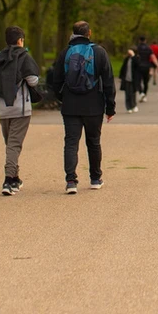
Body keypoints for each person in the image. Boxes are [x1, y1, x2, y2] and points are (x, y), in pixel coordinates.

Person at [56, 20, 116, 193]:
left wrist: (63, 97)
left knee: (71, 143)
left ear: (73, 33)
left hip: (71, 105)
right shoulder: (99, 52)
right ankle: (95, 178)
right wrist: (110, 107)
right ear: (89, 33)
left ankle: (71, 181)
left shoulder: (65, 52)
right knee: (94, 142)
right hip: (94, 105)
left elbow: (57, 80)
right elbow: (109, 82)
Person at [0, 25, 40, 195]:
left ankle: (15, 178)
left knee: (10, 143)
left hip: (2, 108)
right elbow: (33, 80)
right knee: (14, 145)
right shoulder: (24, 56)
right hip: (20, 108)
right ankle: (9, 180)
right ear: (20, 40)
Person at [134, 36, 156, 103]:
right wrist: (157, 66)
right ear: (145, 40)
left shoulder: (137, 48)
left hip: (139, 66)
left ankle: (141, 93)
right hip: (147, 66)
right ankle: (145, 95)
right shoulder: (149, 48)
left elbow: (134, 57)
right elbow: (152, 57)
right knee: (145, 82)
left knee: (138, 81)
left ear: (139, 40)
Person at [119, 47, 139, 113]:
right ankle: (128, 107)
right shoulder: (127, 59)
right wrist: (121, 77)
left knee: (133, 93)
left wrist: (133, 56)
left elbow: (138, 65)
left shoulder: (136, 59)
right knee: (127, 94)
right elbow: (123, 68)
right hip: (126, 79)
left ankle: (134, 105)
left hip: (133, 79)